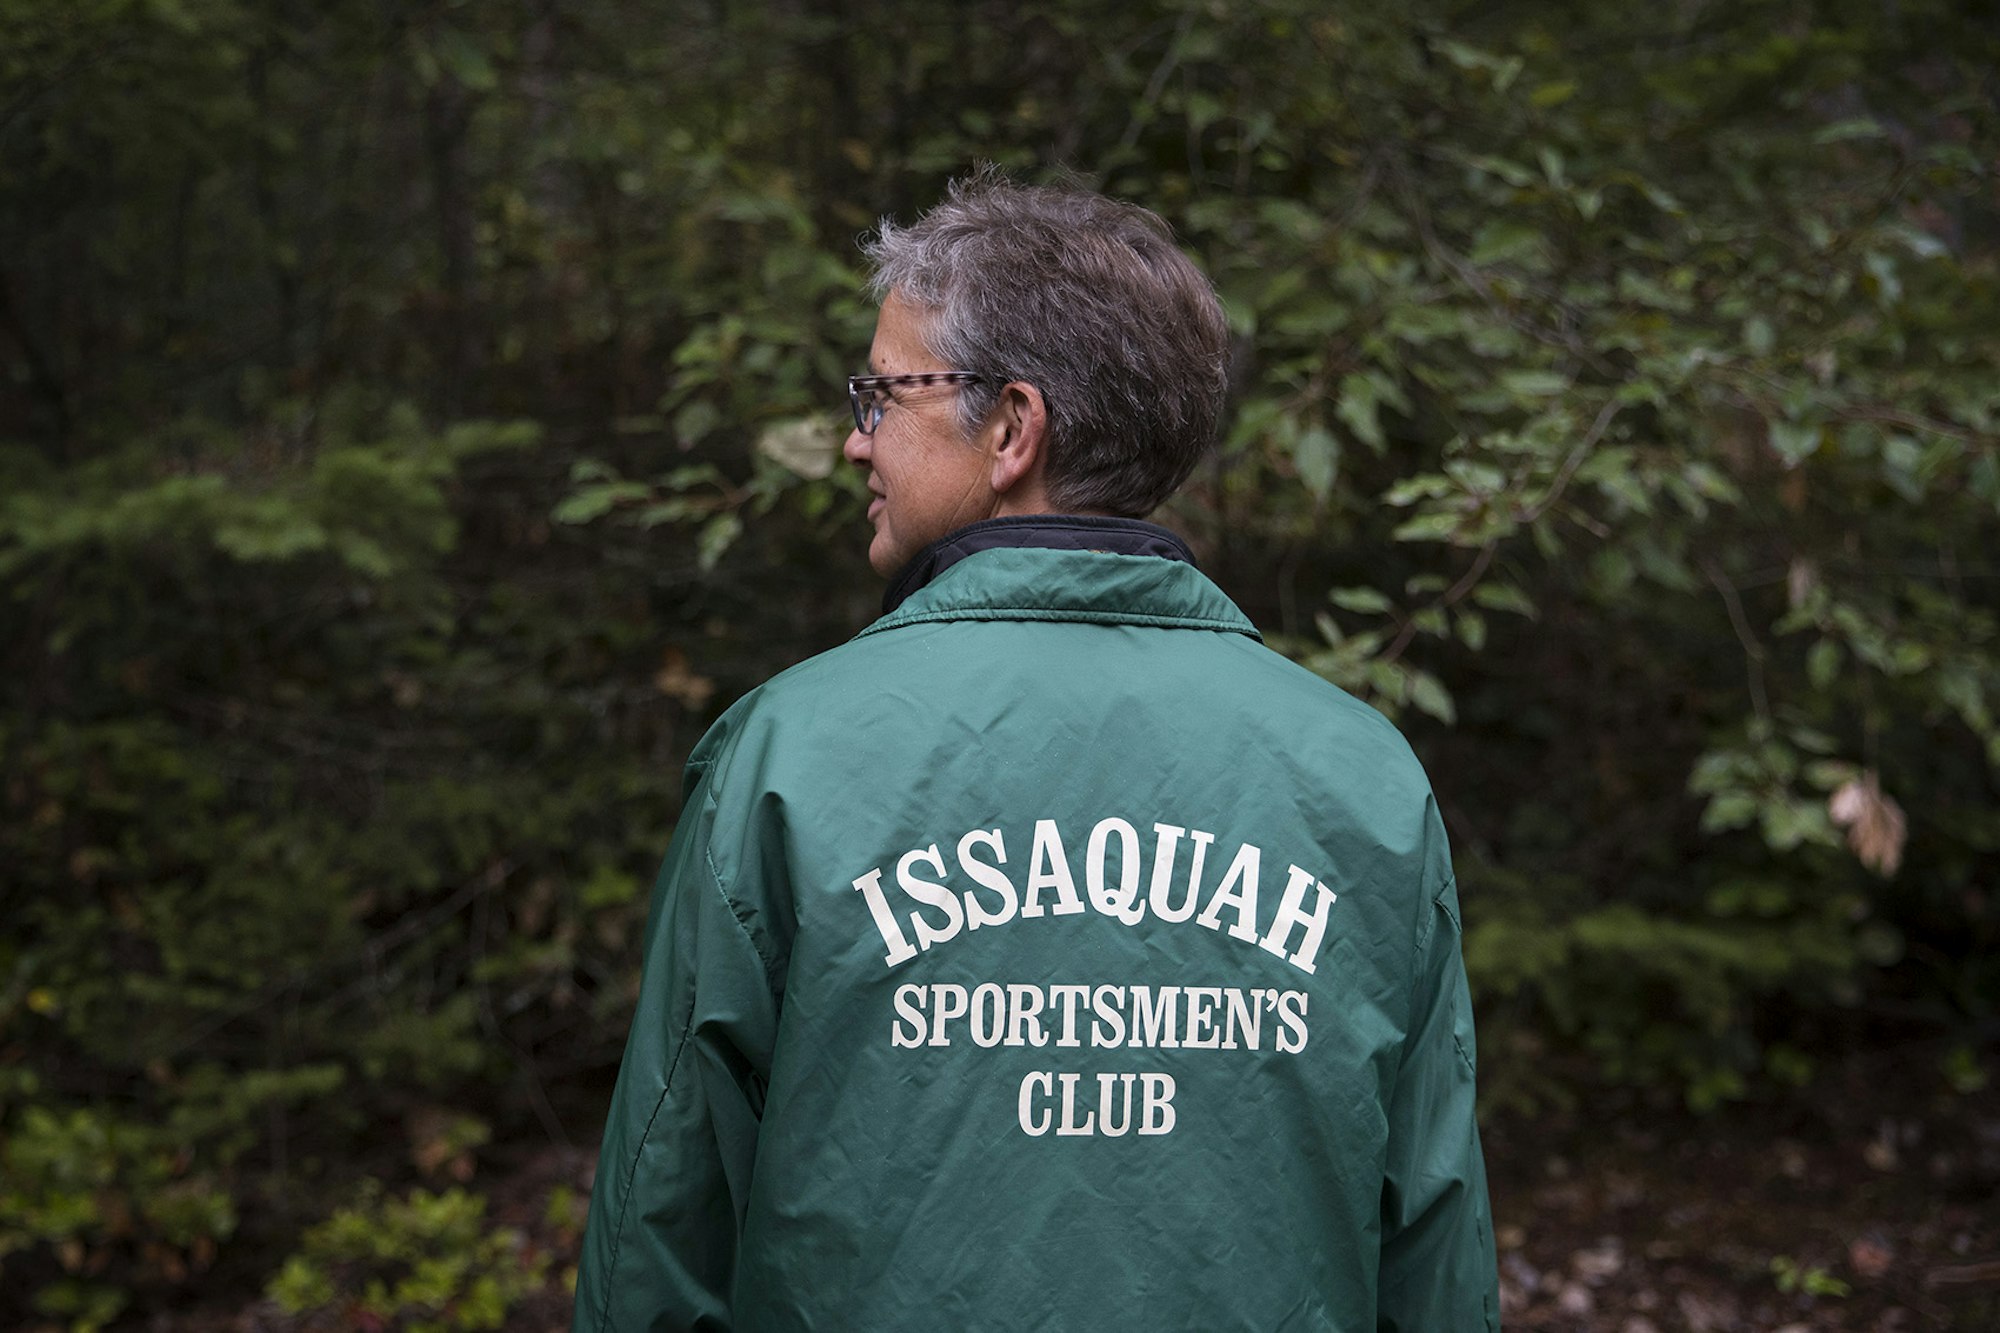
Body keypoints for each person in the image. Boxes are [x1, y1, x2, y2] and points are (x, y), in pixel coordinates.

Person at [573, 172, 1500, 1332]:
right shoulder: (1359, 772)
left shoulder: (790, 754)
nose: (855, 442)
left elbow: (664, 1225)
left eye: (881, 394)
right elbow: (1433, 1251)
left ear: (1011, 427)